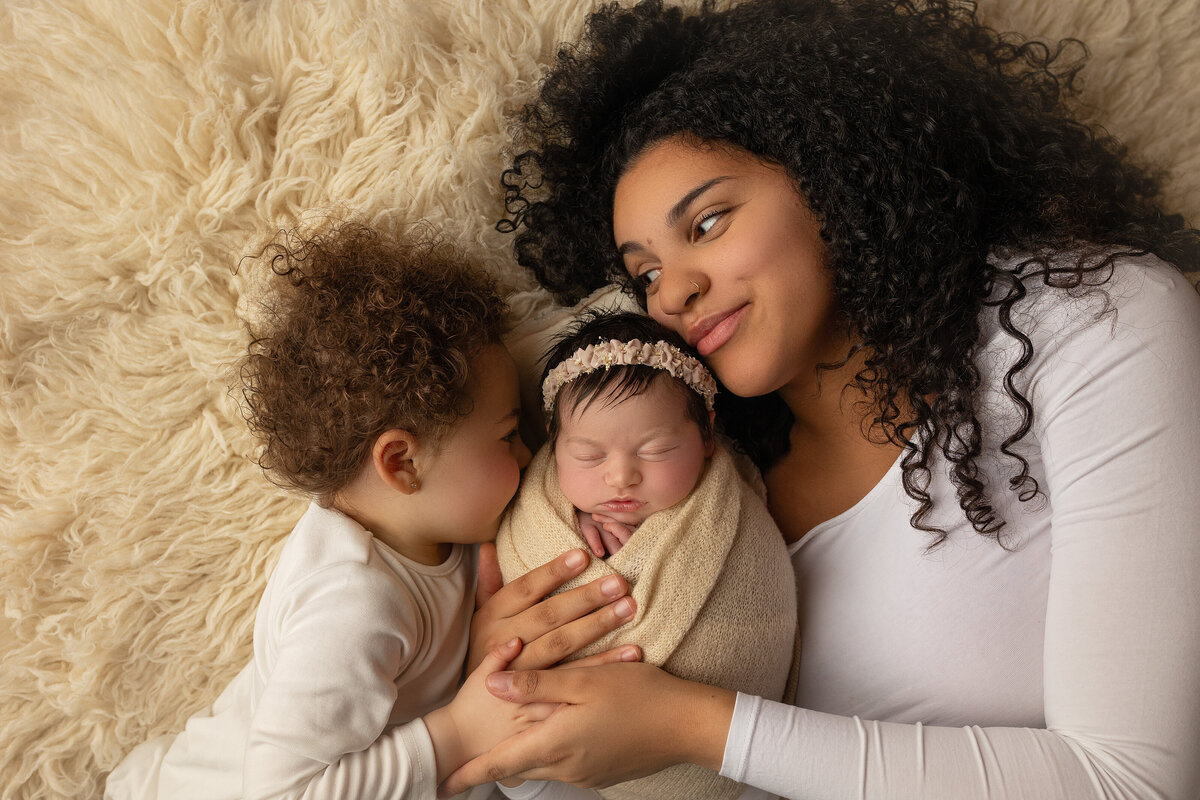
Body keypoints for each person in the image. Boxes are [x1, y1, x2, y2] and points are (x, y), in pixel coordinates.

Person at [445, 0, 1200, 798]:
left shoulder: (1094, 324)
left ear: (834, 174)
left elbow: (1137, 782)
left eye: (706, 223)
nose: (676, 294)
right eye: (646, 274)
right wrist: (506, 688)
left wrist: (692, 723)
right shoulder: (700, 484)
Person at [103, 221, 631, 800]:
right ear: (402, 464)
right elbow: (279, 792)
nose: (530, 454)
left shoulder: (433, 523)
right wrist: (457, 731)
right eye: (506, 436)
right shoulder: (353, 602)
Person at [494, 311, 797, 800]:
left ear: (705, 436)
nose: (620, 477)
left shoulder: (729, 512)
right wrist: (578, 524)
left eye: (655, 450)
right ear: (553, 438)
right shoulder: (541, 508)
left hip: (734, 759)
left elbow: (758, 605)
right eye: (589, 456)